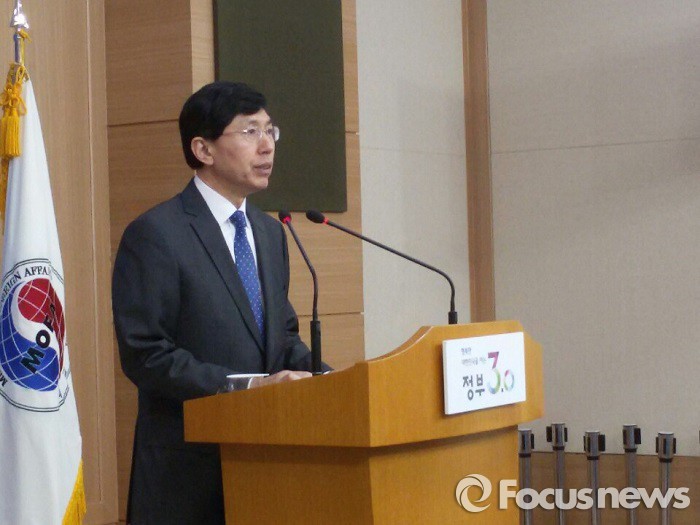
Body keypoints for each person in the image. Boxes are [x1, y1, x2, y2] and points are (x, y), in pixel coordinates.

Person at [112, 81, 327, 524]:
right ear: (203, 149)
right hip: (187, 474)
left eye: (270, 130)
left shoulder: (269, 233)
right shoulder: (156, 234)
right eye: (250, 131)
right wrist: (247, 388)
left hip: (265, 466)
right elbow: (146, 354)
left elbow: (282, 337)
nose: (267, 145)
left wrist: (330, 381)